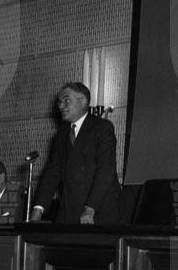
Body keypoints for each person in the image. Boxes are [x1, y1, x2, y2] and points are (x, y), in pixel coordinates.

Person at [30, 82, 122, 224]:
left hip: (99, 210)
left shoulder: (102, 128)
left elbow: (105, 171)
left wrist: (90, 208)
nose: (61, 106)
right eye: (60, 102)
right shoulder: (61, 134)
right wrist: (38, 209)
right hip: (70, 210)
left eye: (66, 100)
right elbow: (52, 173)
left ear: (83, 101)